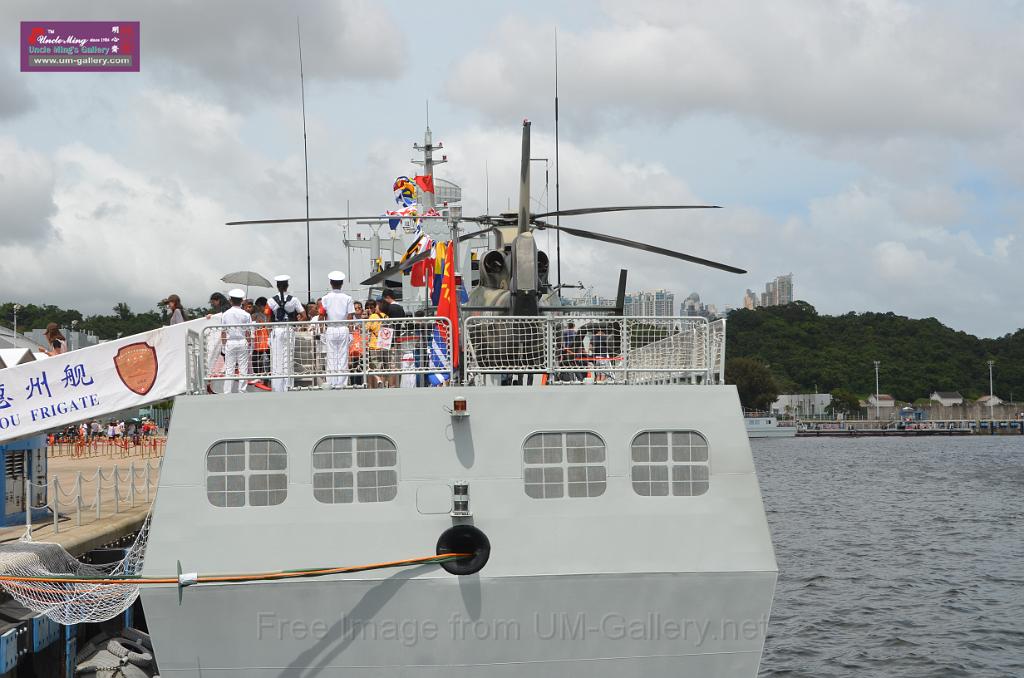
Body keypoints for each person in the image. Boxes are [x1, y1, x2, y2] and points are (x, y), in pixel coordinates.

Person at [267, 275, 306, 392]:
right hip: (289, 329)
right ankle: (288, 387)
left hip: (277, 329)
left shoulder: (271, 300)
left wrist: (270, 334)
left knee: (276, 360)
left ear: (277, 286)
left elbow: (268, 319)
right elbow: (304, 316)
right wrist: (295, 324)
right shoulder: (294, 300)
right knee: (288, 358)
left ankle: (277, 387)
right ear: (287, 286)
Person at [321, 271, 356, 388]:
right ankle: (341, 383)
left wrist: (321, 331)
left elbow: (322, 316)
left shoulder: (325, 298)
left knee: (331, 356)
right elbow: (350, 317)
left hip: (330, 328)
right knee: (343, 357)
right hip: (343, 327)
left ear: (331, 283)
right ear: (342, 283)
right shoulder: (348, 298)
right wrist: (351, 333)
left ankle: (331, 382)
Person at [220, 289, 253, 394]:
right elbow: (248, 333)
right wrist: (249, 344)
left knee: (229, 368)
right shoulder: (246, 315)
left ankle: (227, 392)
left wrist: (224, 346)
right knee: (243, 368)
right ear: (242, 301)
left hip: (230, 341)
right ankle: (242, 390)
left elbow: (223, 332)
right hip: (242, 341)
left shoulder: (225, 314)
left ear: (230, 300)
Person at [205, 293, 230, 394]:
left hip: (226, 339)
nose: (213, 304)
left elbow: (222, 316)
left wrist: (213, 316)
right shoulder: (226, 307)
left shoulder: (226, 308)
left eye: (213, 302)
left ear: (218, 300)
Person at [365, 300, 387, 388]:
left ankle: (378, 380)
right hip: (384, 344)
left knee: (373, 365)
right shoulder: (386, 316)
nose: (370, 309)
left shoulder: (373, 316)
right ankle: (383, 383)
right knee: (383, 365)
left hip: (374, 344)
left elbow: (365, 328)